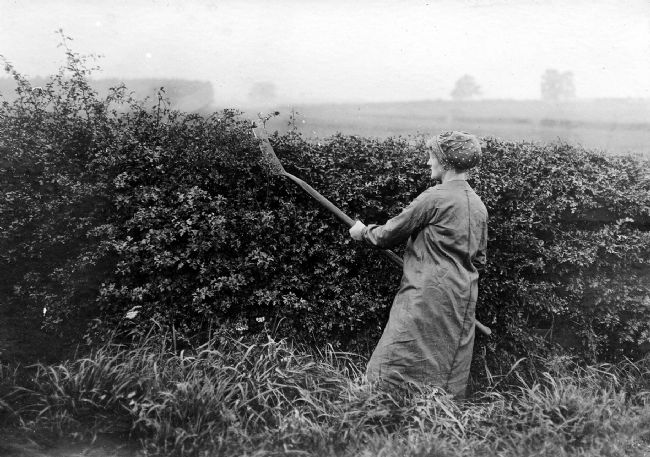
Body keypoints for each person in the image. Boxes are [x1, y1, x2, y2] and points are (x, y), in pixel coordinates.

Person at [349, 131, 488, 398]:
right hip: (462, 296)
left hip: (426, 292)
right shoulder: (479, 206)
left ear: (446, 162)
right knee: (446, 359)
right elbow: (479, 259)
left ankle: (376, 407)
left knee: (395, 354)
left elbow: (388, 235)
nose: (428, 162)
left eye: (432, 156)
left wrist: (363, 232)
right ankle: (436, 413)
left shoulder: (434, 198)